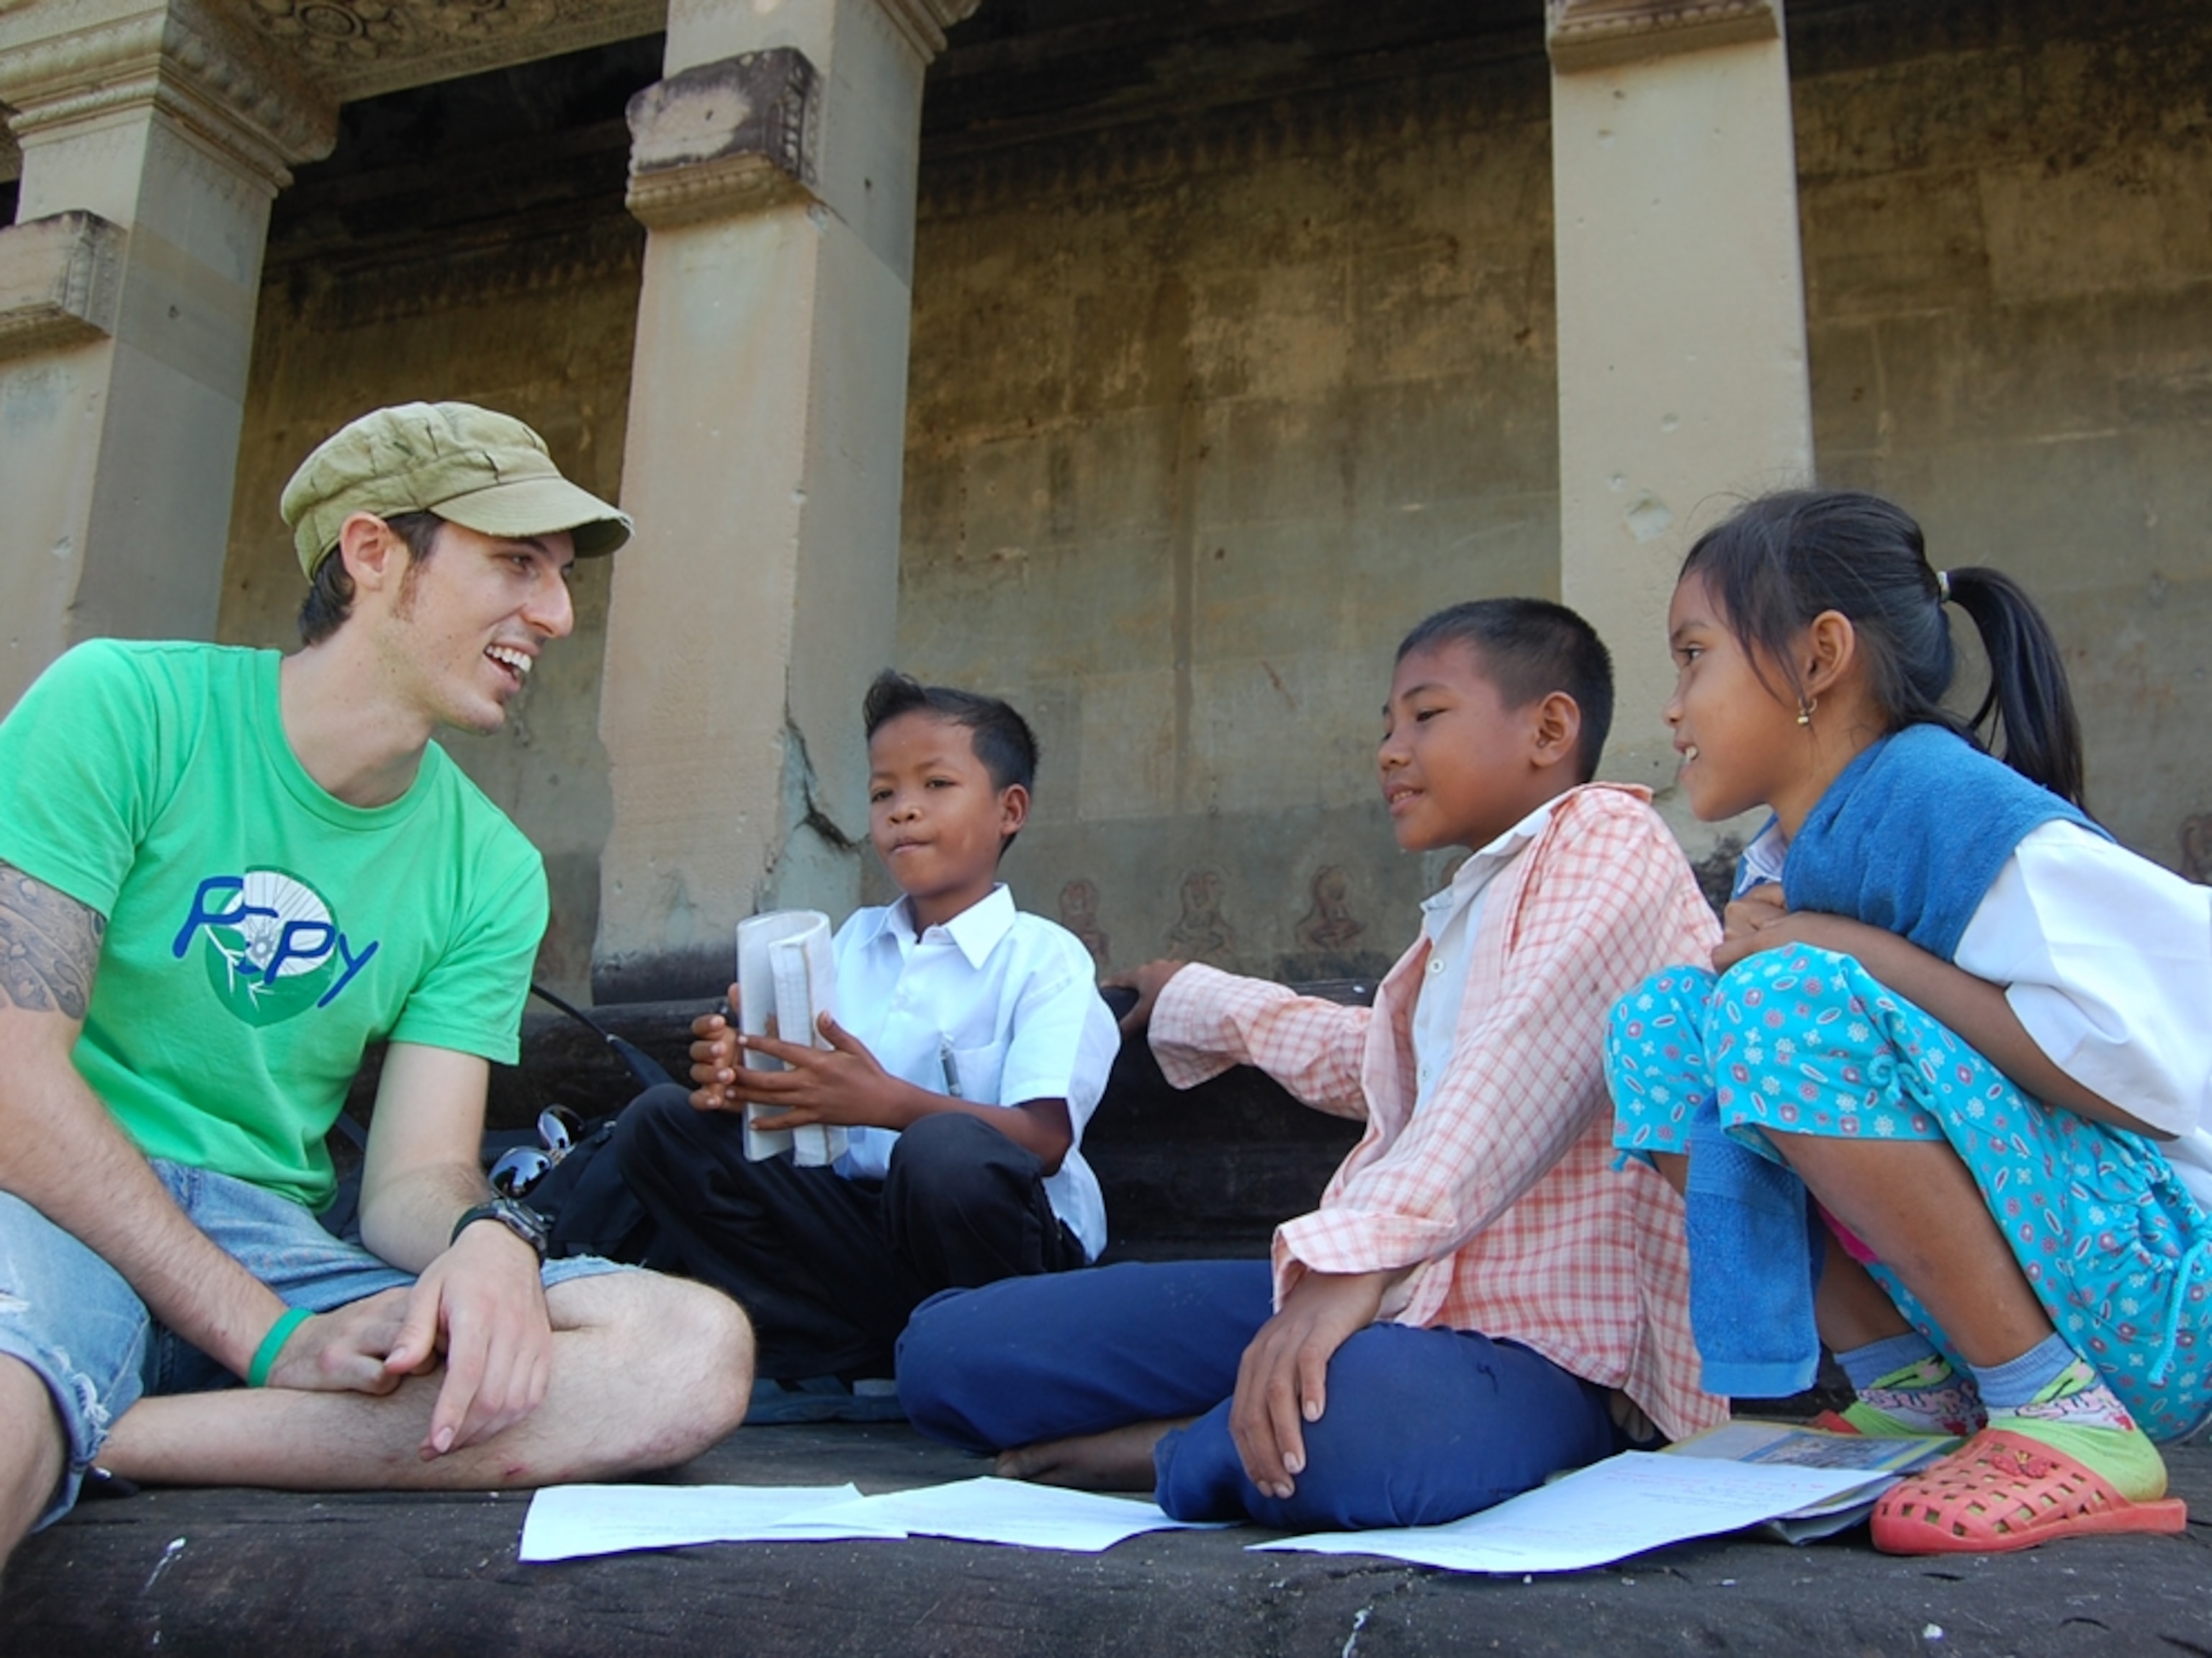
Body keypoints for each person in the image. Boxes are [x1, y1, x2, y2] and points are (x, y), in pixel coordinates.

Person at [0, 403, 753, 1575]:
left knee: (687, 1350)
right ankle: (59, 1407)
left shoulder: (489, 867)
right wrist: (268, 1340)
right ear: (371, 554)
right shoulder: (123, 708)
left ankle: (110, 1433)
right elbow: (12, 1083)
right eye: (516, 563)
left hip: (271, 1239)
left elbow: (408, 1179)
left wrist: (488, 1239)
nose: (555, 613)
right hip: (54, 1197)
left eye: (559, 577)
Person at [896, 599, 1730, 1529]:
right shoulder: (1469, 905)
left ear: (1548, 727)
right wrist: (1200, 999)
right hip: (1388, 1301)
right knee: (950, 1351)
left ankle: (1176, 1446)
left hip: (1548, 1348)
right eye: (1385, 726)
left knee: (1359, 1433)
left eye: (1426, 714)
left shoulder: (1613, 843)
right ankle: (1233, 1424)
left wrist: (1350, 1269)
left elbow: (1513, 1064)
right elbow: (1373, 1058)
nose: (1390, 749)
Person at [1605, 489, 2209, 1555]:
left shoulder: (1953, 808)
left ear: (1820, 656)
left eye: (1693, 655)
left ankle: (2058, 1414)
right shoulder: (1801, 848)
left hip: (2167, 1290)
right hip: (2056, 1279)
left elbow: (2142, 1075)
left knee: (1773, 1000)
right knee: (1664, 1024)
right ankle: (1914, 1391)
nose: (1673, 705)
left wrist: (1841, 948)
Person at [611, 671, 1120, 1410]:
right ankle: (849, 1350)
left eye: (936, 784)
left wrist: (888, 1102)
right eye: (883, 794)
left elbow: (1042, 1140)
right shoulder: (848, 947)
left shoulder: (1044, 959)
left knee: (944, 1153)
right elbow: (803, 1105)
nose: (903, 810)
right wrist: (748, 1076)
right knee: (662, 1123)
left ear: (1010, 810)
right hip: (860, 1231)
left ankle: (983, 1358)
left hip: (1002, 1249)